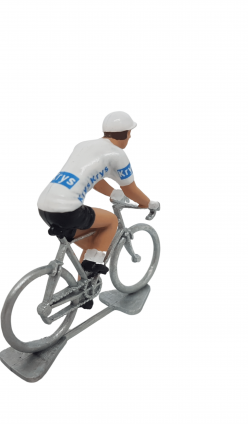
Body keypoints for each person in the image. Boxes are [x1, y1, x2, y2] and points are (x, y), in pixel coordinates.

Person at [37, 111, 160, 308]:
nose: (130, 137)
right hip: (68, 209)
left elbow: (93, 177)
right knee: (111, 221)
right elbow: (131, 189)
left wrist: (111, 192)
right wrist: (148, 203)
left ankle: (83, 292)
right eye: (130, 133)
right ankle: (92, 265)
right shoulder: (118, 154)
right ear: (127, 134)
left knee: (94, 242)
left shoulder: (83, 145)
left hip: (44, 206)